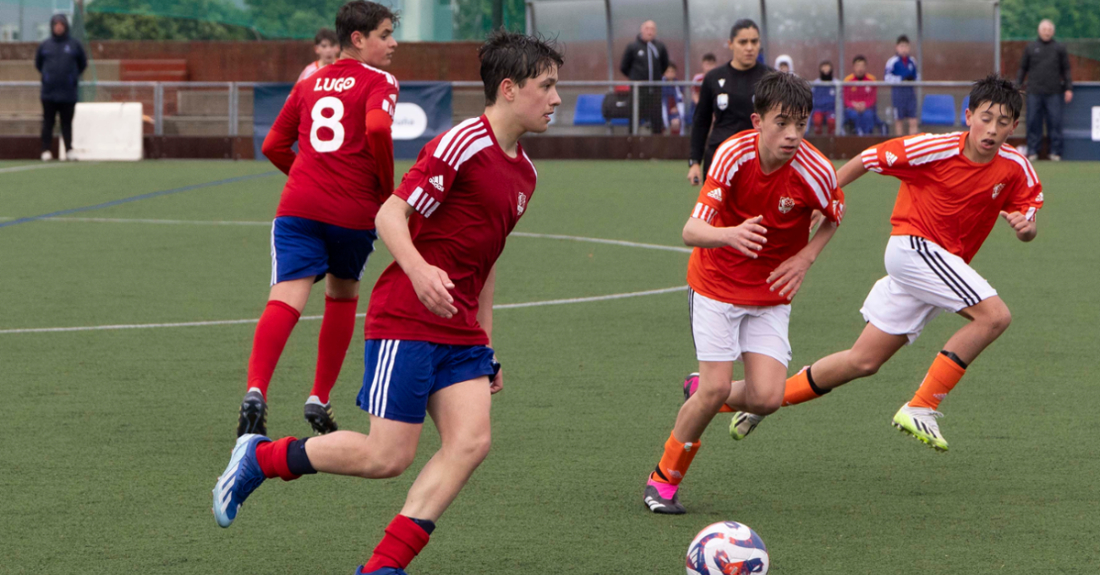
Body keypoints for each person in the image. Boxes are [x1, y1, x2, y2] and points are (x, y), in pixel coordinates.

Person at [212, 29, 562, 575]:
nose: (557, 98)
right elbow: (389, 214)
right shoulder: (461, 144)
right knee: (387, 457)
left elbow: (487, 260)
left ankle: (382, 568)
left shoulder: (526, 173)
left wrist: (487, 339)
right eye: (548, 86)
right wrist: (420, 271)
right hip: (408, 315)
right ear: (510, 89)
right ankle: (260, 458)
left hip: (461, 330)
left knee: (471, 443)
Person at [727, 75, 1043, 452]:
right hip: (913, 248)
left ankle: (742, 400)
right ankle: (922, 406)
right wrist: (822, 198)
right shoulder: (933, 148)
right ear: (968, 114)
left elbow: (1028, 224)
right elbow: (867, 159)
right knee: (994, 316)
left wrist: (1026, 229)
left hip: (937, 268)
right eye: (986, 118)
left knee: (862, 361)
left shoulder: (1016, 167)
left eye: (1003, 122)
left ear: (1014, 126)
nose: (992, 130)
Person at [643, 72, 845, 514]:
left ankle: (703, 391)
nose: (792, 135)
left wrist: (806, 258)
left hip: (770, 294)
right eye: (781, 123)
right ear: (757, 120)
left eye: (801, 124)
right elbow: (690, 231)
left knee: (768, 399)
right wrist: (730, 234)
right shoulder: (732, 155)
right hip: (716, 286)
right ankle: (663, 479)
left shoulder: (817, 171)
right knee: (715, 390)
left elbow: (834, 215)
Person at [239, 1, 399, 438]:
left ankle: (256, 390)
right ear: (358, 39)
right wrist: (385, 193)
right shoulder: (380, 81)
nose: (393, 43)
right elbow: (379, 130)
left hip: (300, 207)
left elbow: (274, 144)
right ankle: (318, 397)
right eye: (385, 35)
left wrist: (309, 176)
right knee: (343, 296)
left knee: (285, 298)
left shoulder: (311, 81)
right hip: (352, 212)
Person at [688, 19, 770, 186]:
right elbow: (701, 122)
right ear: (730, 44)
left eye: (754, 41)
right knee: (718, 212)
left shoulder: (771, 78)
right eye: (743, 42)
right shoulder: (713, 78)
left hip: (759, 159)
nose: (749, 47)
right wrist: (695, 162)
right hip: (720, 158)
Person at [1017, 19, 1073, 161]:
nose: (1047, 32)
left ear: (1053, 31)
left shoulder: (1059, 48)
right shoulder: (1030, 48)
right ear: (1039, 30)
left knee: (1055, 122)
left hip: (1054, 92)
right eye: (1044, 29)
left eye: (1049, 29)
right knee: (1033, 121)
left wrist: (1068, 88)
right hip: (1034, 92)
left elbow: (1066, 69)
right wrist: (1017, 86)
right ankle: (1033, 151)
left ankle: (1055, 152)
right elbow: (1023, 68)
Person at [35, 13, 86, 162]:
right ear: (52, 27)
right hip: (49, 93)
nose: (58, 27)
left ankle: (69, 149)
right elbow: (38, 64)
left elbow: (82, 64)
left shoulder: (74, 45)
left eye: (61, 25)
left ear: (65, 26)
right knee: (48, 122)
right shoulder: (45, 45)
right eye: (56, 25)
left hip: (68, 93)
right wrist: (48, 77)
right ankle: (45, 150)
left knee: (67, 123)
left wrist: (71, 78)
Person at [620, 20, 669, 135]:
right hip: (639, 91)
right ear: (642, 30)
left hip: (655, 90)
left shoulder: (660, 47)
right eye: (647, 29)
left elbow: (664, 64)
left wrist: (656, 77)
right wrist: (635, 78)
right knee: (635, 117)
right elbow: (624, 66)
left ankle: (657, 145)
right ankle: (632, 144)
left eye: (652, 29)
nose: (650, 32)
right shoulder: (633, 46)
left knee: (656, 118)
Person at [885, 35, 919, 135]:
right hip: (898, 95)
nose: (904, 49)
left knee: (913, 120)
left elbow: (917, 76)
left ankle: (913, 146)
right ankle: (900, 147)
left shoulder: (912, 61)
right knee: (899, 121)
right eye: (902, 46)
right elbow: (887, 78)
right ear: (897, 47)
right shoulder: (892, 62)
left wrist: (913, 79)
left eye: (906, 46)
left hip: (910, 95)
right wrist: (901, 79)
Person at [843, 55, 879, 135]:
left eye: (862, 66)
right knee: (853, 115)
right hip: (852, 108)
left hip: (867, 108)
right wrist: (854, 105)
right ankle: (857, 135)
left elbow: (873, 99)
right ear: (853, 67)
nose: (860, 68)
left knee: (868, 115)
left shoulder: (871, 80)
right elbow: (845, 99)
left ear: (866, 67)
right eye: (858, 66)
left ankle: (867, 135)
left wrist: (865, 105)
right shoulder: (847, 80)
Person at [810, 61, 836, 135]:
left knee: (832, 122)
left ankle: (831, 141)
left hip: (831, 110)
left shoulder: (836, 84)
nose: (826, 69)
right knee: (817, 121)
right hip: (819, 110)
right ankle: (819, 141)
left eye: (827, 67)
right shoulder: (816, 84)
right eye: (824, 67)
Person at [661, 62, 686, 135]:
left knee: (676, 123)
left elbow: (681, 98)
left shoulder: (678, 85)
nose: (670, 73)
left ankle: (676, 142)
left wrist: (676, 107)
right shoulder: (660, 83)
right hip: (663, 108)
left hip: (674, 110)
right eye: (668, 71)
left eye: (672, 71)